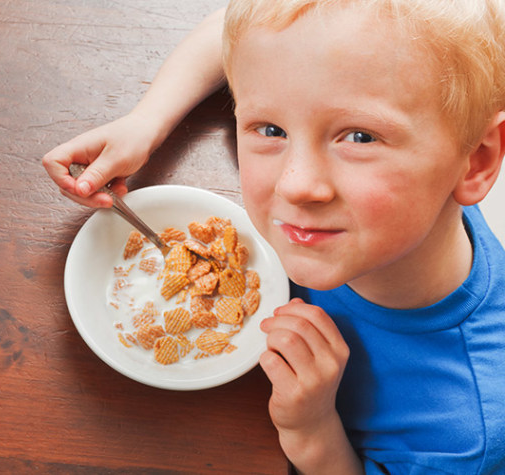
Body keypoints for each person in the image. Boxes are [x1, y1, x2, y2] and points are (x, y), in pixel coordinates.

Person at [43, 1, 505, 473]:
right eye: (271, 129)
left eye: (360, 137)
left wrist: (313, 433)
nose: (294, 184)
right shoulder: (374, 224)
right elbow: (233, 35)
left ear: (478, 162)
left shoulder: (466, 435)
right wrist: (146, 123)